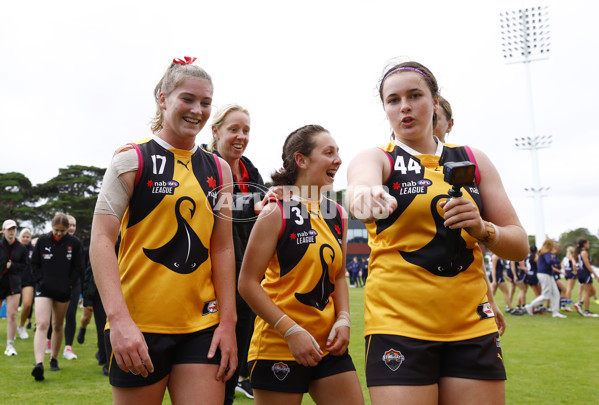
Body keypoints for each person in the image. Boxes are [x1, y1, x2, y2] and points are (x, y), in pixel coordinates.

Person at [347, 61, 528, 404]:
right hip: (398, 324)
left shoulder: (473, 160)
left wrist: (483, 228)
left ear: (434, 100)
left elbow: (519, 245)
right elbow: (359, 187)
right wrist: (365, 196)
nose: (405, 107)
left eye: (415, 96)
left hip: (471, 325)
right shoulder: (378, 158)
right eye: (393, 99)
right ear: (385, 108)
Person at [89, 56, 237, 404]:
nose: (197, 110)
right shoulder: (131, 159)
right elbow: (100, 239)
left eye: (205, 102)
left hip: (203, 327)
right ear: (163, 99)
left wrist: (228, 322)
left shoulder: (219, 169)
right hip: (138, 325)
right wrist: (118, 320)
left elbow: (223, 248)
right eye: (187, 98)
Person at [238, 125, 364, 405]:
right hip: (278, 346)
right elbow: (247, 283)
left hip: (329, 347)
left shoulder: (338, 213)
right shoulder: (275, 210)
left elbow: (339, 276)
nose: (338, 160)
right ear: (301, 160)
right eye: (328, 152)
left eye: (338, 152)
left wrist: (344, 319)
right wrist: (291, 331)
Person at [204, 103, 266, 403]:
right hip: (211, 285)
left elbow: (264, 220)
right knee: (214, 370)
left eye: (246, 130)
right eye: (234, 129)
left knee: (235, 360)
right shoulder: (203, 167)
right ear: (215, 131)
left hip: (249, 284)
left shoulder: (250, 172)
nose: (241, 136)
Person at [31, 213, 85, 380]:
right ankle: (39, 364)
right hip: (44, 289)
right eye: (56, 230)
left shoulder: (75, 243)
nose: (59, 233)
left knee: (57, 325)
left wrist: (69, 284)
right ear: (51, 226)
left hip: (63, 291)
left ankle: (53, 358)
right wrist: (40, 281)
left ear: (68, 229)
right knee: (42, 324)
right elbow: (34, 264)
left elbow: (79, 267)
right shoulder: (42, 241)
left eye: (63, 230)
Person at [1, 219, 28, 356]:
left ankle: (10, 345)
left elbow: (24, 265)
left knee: (12, 315)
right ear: (3, 231)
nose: (11, 231)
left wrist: (13, 266)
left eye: (13, 229)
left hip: (14, 283)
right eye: (9, 229)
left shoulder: (21, 248)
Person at [524, 239, 567, 318]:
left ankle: (555, 312)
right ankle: (530, 306)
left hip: (547, 274)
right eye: (552, 245)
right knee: (546, 295)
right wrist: (557, 260)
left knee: (556, 293)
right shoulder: (546, 252)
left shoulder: (543, 252)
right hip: (544, 274)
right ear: (549, 245)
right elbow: (549, 262)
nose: (554, 246)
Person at [62, 214, 83, 360]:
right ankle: (49, 341)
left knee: (71, 314)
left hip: (74, 284)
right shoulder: (52, 241)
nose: (72, 228)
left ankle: (68, 347)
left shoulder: (77, 243)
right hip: (56, 285)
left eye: (74, 225)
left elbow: (80, 266)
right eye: (69, 225)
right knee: (55, 317)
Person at [572, 238, 599, 317]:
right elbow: (587, 265)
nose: (589, 245)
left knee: (592, 291)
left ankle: (579, 304)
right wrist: (595, 275)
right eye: (588, 243)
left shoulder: (578, 252)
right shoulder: (583, 252)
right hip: (585, 273)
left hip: (581, 273)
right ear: (584, 244)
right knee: (588, 292)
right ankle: (587, 312)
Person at [17, 228, 35, 339]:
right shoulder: (16, 249)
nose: (25, 238)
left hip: (29, 281)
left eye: (27, 237)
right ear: (20, 237)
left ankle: (22, 326)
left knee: (28, 304)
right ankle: (12, 328)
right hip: (15, 280)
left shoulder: (34, 250)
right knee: (13, 308)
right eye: (23, 236)